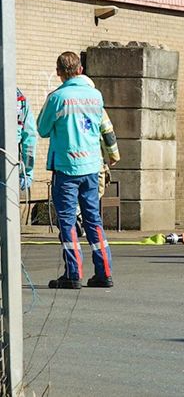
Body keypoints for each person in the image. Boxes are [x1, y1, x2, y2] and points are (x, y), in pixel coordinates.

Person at [37, 52, 120, 289]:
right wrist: (112, 155)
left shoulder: (57, 97)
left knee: (67, 221)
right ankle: (104, 272)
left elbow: (42, 129)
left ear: (59, 72)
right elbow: (105, 128)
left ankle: (73, 274)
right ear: (80, 70)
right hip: (92, 167)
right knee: (94, 219)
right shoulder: (96, 96)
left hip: (66, 167)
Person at [16, 87, 37, 196]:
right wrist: (27, 172)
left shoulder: (20, 101)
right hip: (8, 162)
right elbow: (29, 143)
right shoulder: (20, 101)